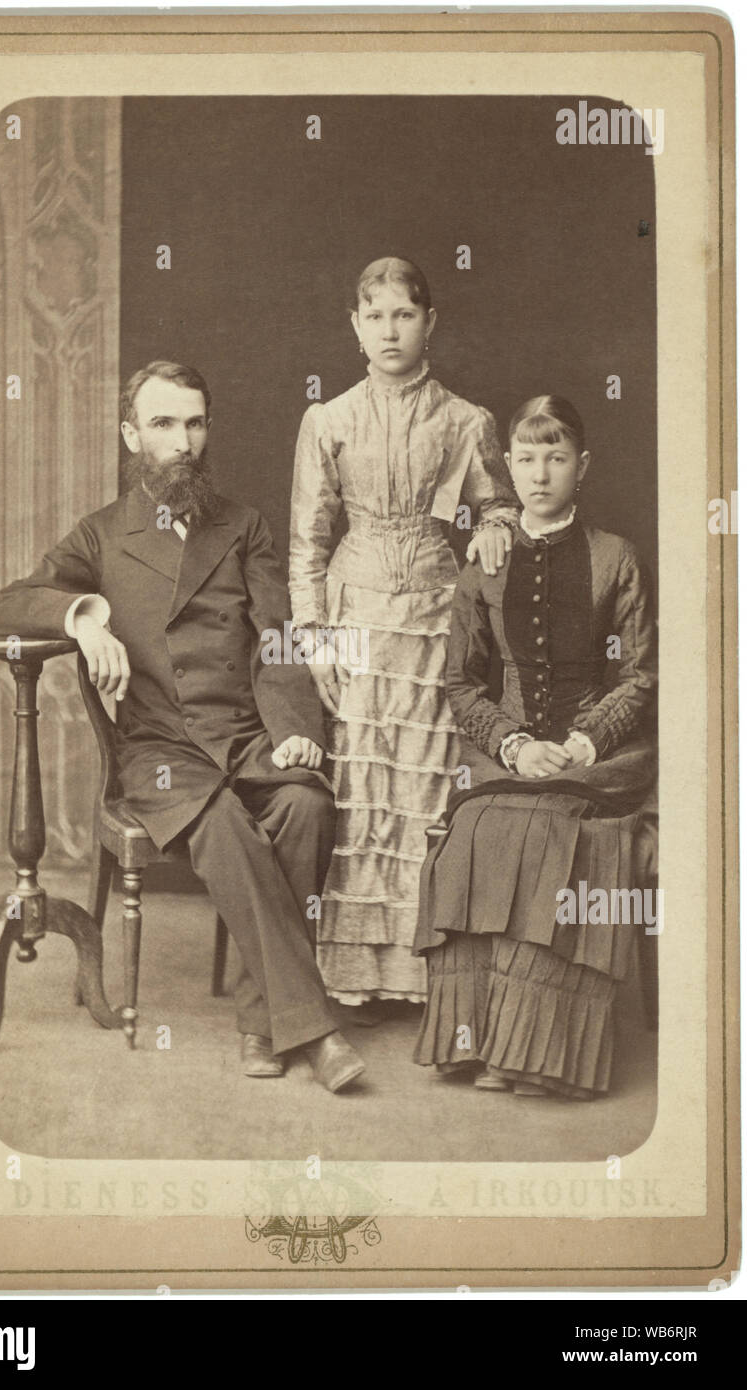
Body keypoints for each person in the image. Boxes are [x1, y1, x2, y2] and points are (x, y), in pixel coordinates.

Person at [0, 360, 366, 1093]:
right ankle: (313, 1028)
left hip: (246, 735)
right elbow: (8, 601)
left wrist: (295, 727)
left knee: (307, 802)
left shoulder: (243, 526)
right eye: (162, 424)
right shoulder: (100, 537)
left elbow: (278, 637)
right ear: (132, 435)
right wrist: (81, 616)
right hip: (161, 751)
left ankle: (264, 1021)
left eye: (193, 422)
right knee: (221, 821)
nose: (181, 441)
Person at [288, 256, 519, 1015]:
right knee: (360, 791)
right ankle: (354, 975)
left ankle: (424, 973)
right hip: (352, 616)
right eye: (375, 315)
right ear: (354, 327)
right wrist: (314, 635)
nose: (390, 329)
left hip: (430, 614)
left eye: (404, 314)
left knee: (424, 789)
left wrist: (492, 527)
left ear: (429, 323)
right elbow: (307, 542)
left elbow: (499, 503)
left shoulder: (465, 420)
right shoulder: (327, 419)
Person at [412, 395, 658, 1098]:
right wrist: (513, 745)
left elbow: (640, 673)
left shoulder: (616, 557)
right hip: (507, 754)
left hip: (597, 755)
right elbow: (460, 682)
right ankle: (486, 1043)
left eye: (555, 457)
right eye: (525, 458)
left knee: (560, 828)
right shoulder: (485, 561)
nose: (540, 473)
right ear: (508, 467)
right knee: (478, 829)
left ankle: (541, 1055)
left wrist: (583, 741)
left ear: (582, 466)